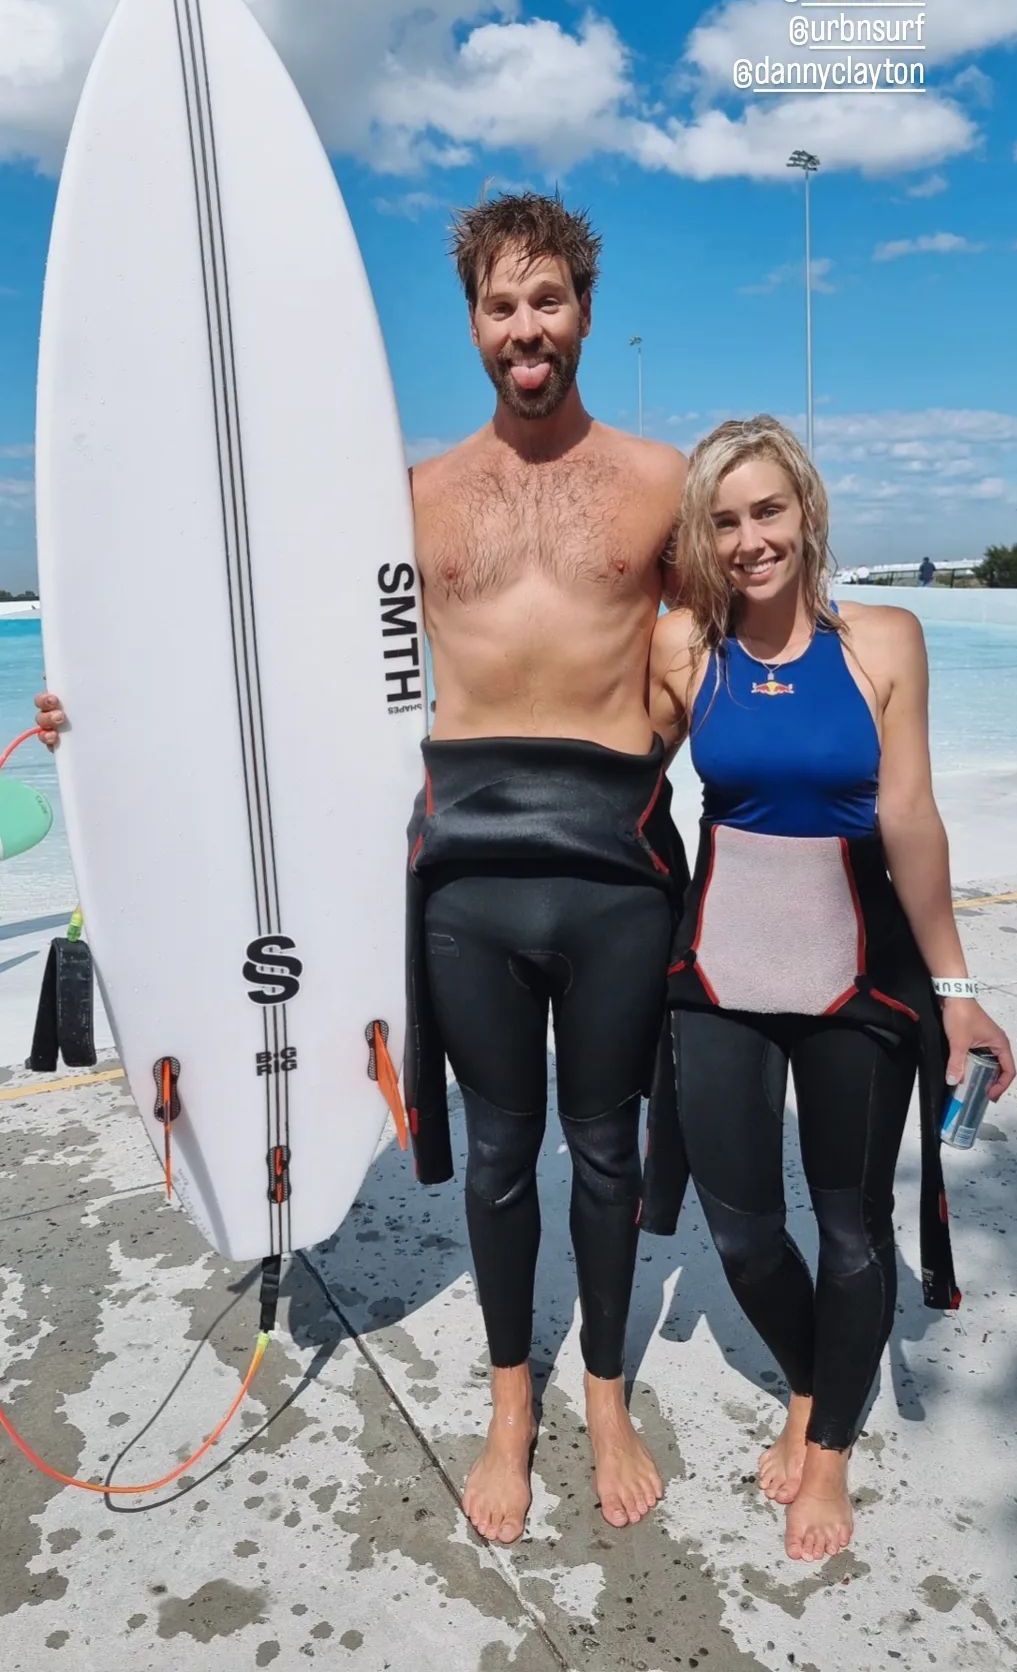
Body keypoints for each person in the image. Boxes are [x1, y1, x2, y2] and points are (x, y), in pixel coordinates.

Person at [37, 192, 688, 1548]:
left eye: (549, 300)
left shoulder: (659, 480)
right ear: (472, 323)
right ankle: (512, 1403)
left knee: (606, 1151)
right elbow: (282, 656)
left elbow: (724, 639)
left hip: (616, 864)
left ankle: (605, 1392)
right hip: (466, 875)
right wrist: (97, 711)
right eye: (502, 305)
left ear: (585, 310)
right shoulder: (415, 499)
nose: (527, 327)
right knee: (500, 1154)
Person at [641, 415, 1016, 1565]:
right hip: (721, 972)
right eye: (723, 521)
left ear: (806, 510)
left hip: (855, 971)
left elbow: (912, 818)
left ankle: (832, 1442)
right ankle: (810, 1380)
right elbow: (610, 776)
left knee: (852, 1233)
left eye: (768, 510)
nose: (750, 539)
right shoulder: (683, 647)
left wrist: (956, 988)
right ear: (701, 539)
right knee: (744, 1234)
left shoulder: (884, 641)